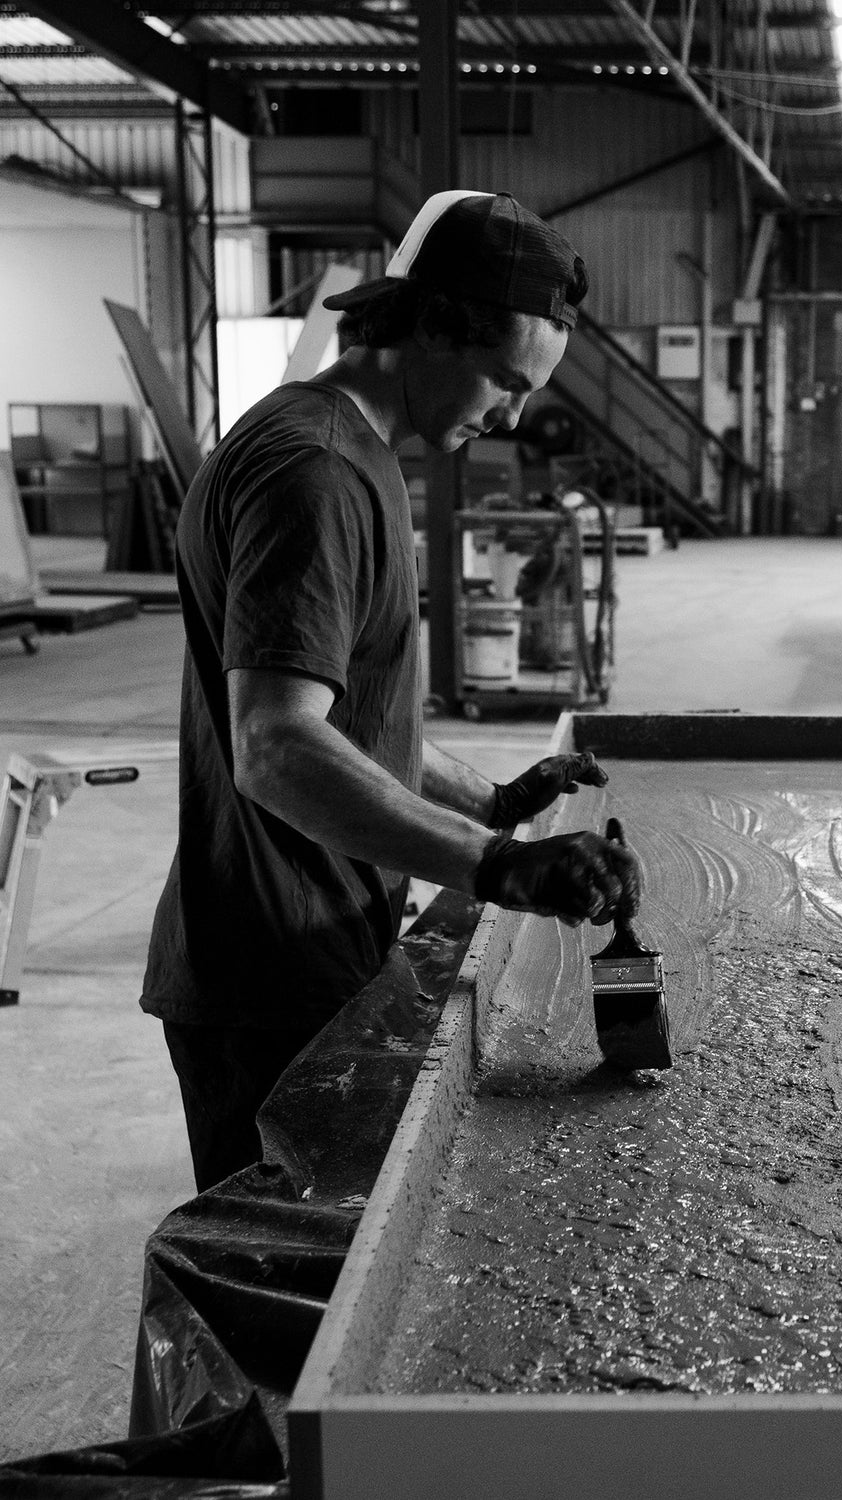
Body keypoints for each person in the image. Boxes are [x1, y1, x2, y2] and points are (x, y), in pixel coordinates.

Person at [141, 190, 639, 1193]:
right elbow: (278, 748)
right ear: (431, 325)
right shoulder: (315, 472)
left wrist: (491, 801)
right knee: (286, 1295)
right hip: (273, 967)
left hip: (305, 941)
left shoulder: (347, 449)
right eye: (503, 380)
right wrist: (495, 865)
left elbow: (349, 724)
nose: (508, 412)